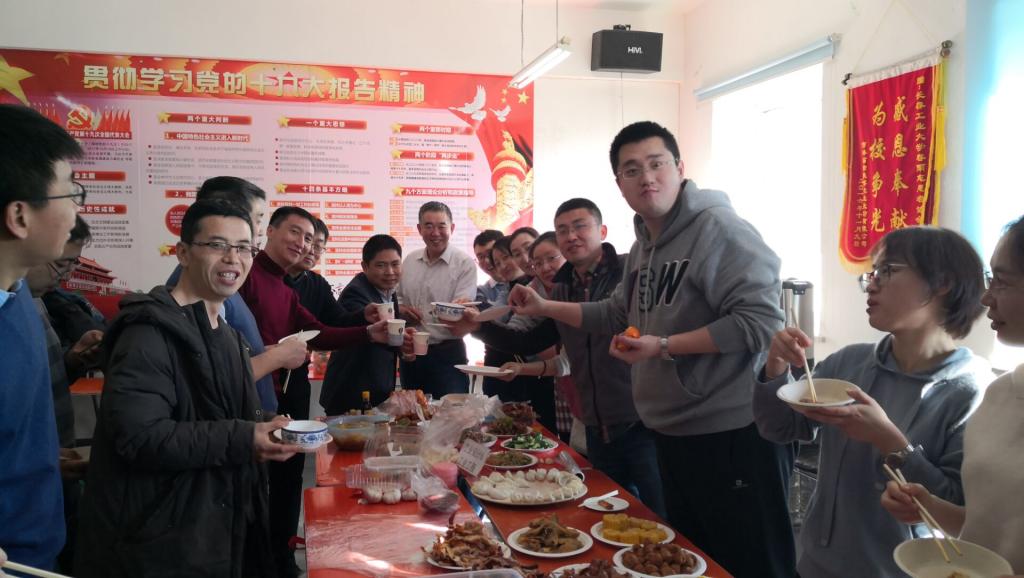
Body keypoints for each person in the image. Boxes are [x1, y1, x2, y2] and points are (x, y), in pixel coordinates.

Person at [507, 121, 794, 577]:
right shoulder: (645, 246)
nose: (647, 178)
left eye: (656, 164)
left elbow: (760, 322)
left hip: (732, 431)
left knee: (750, 563)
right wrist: (544, 306)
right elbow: (614, 313)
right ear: (619, 183)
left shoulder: (720, 228)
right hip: (672, 431)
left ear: (679, 167)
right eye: (632, 170)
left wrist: (662, 346)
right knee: (691, 561)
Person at [75, 199, 301, 577]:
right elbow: (140, 437)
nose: (233, 258)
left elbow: (212, 412)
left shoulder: (225, 334)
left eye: (244, 247)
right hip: (156, 543)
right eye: (217, 245)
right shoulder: (147, 333)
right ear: (182, 253)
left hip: (209, 528)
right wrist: (246, 437)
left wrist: (267, 424)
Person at [755, 226, 989, 577]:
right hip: (817, 565)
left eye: (888, 270)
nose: (872, 284)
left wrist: (890, 441)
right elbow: (778, 428)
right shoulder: (849, 362)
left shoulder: (971, 391)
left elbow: (957, 508)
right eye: (872, 273)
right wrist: (775, 366)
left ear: (942, 283)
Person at [465, 200, 667, 516]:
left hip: (642, 423)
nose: (571, 236)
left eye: (580, 226)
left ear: (602, 231)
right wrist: (475, 326)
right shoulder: (562, 289)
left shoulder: (630, 272)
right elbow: (529, 339)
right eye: (562, 230)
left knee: (660, 517)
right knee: (605, 516)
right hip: (595, 426)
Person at [240, 207, 388, 577]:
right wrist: (275, 355)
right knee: (247, 489)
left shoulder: (286, 288)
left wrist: (368, 333)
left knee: (285, 476)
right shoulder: (247, 275)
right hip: (243, 401)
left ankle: (279, 557)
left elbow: (320, 332)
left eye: (309, 239)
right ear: (269, 231)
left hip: (277, 398)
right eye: (295, 233)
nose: (303, 244)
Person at [882, 216, 1024, 575]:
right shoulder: (1001, 395)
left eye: (1002, 282)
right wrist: (929, 507)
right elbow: (986, 531)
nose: (986, 297)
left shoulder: (968, 386)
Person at [0, 104, 83, 574]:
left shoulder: (21, 300)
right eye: (71, 192)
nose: (76, 210)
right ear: (19, 215)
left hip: (40, 544)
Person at [167, 176, 306, 414]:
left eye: (243, 249)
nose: (259, 230)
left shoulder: (222, 287)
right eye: (258, 219)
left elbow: (221, 359)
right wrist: (279, 357)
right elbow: (206, 379)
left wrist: (263, 352)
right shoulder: (194, 291)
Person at [397, 201, 477, 397]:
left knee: (451, 410)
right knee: (412, 410)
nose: (435, 233)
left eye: (441, 226)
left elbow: (462, 309)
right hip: (411, 351)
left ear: (452, 228)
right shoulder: (410, 261)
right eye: (429, 226)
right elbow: (397, 298)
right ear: (419, 229)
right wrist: (402, 310)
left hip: (447, 353)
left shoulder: (464, 264)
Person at [321, 234, 405, 414]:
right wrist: (402, 342)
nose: (390, 271)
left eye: (395, 264)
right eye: (381, 265)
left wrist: (403, 346)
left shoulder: (388, 290)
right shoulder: (356, 293)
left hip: (375, 390)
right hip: (352, 392)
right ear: (365, 267)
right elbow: (362, 332)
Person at [473, 229, 507, 304]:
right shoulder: (481, 293)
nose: (487, 261)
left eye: (490, 253)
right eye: (481, 257)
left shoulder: (528, 279)